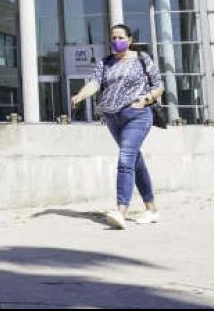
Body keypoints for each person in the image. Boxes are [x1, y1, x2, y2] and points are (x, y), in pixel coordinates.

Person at [70, 24, 165, 230]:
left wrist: (146, 100)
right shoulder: (105, 62)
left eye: (121, 37)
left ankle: (121, 210)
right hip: (113, 118)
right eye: (113, 37)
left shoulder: (142, 58)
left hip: (138, 115)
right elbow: (95, 83)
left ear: (130, 39)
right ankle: (151, 209)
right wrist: (80, 95)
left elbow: (159, 86)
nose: (116, 41)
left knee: (125, 159)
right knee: (134, 160)